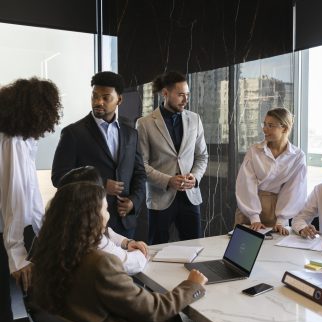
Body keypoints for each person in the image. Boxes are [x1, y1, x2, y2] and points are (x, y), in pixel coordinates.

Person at [32, 181, 207, 322]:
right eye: (105, 210)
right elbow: (152, 310)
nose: (108, 217)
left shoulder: (50, 252)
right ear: (92, 218)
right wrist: (191, 286)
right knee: (171, 317)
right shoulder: (100, 263)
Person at [51, 71, 146, 238]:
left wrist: (133, 201)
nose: (98, 102)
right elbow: (59, 177)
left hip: (125, 222)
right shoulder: (73, 133)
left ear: (119, 100)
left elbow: (139, 173)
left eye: (106, 97)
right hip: (88, 222)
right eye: (95, 96)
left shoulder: (131, 133)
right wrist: (100, 184)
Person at [0, 77, 61, 322]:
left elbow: (30, 195)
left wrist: (45, 231)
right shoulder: (11, 142)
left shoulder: (21, 139)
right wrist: (17, 255)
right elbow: (13, 201)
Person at [136, 71, 208, 245]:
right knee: (157, 248)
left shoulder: (195, 119)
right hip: (160, 197)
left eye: (188, 95)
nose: (185, 100)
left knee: (194, 247)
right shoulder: (144, 123)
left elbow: (202, 156)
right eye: (181, 95)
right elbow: (141, 164)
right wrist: (168, 180)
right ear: (165, 93)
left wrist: (195, 178)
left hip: (190, 196)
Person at [57, 166, 148, 275]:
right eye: (104, 209)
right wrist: (141, 253)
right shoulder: (94, 242)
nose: (107, 215)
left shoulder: (60, 228)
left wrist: (126, 242)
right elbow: (130, 263)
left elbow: (108, 232)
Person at [234, 108, 307, 235]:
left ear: (284, 128)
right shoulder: (254, 151)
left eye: (270, 125)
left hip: (278, 209)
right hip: (249, 206)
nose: (264, 129)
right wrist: (254, 217)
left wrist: (281, 220)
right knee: (244, 249)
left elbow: (294, 189)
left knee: (274, 250)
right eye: (264, 124)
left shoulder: (298, 156)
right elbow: (246, 184)